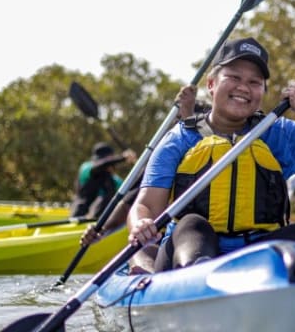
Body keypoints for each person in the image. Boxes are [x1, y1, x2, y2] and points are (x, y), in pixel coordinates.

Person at [128, 37, 295, 273]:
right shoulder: (180, 139)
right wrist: (142, 223)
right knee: (191, 225)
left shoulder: (279, 133)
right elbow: (146, 205)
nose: (244, 87)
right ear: (211, 84)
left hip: (255, 255)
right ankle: (198, 278)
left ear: (262, 91)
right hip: (191, 252)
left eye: (255, 82)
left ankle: (289, 285)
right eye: (234, 78)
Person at [78, 86, 210, 251]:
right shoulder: (164, 158)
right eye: (179, 122)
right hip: (171, 240)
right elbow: (129, 203)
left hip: (212, 236)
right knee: (140, 251)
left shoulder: (229, 150)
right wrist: (102, 229)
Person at [70, 142, 138, 219]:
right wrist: (123, 157)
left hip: (100, 219)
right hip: (79, 214)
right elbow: (101, 165)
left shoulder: (114, 180)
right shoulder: (86, 168)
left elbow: (131, 191)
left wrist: (139, 168)